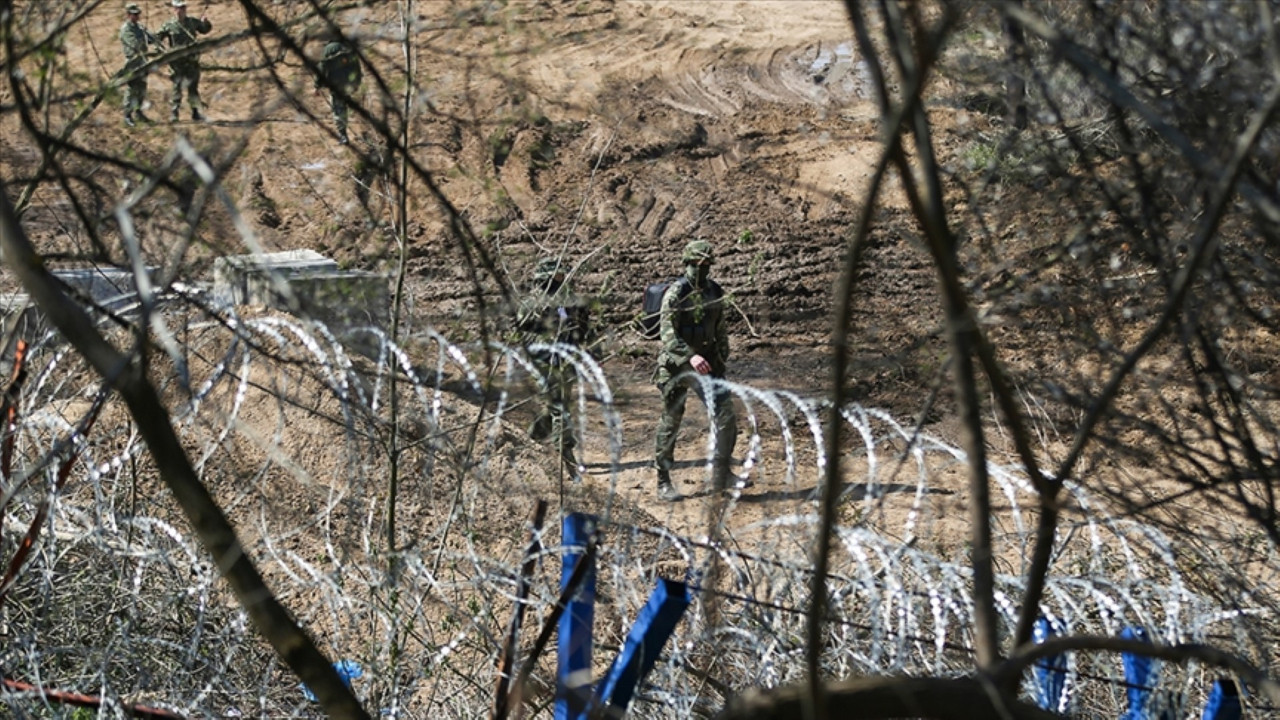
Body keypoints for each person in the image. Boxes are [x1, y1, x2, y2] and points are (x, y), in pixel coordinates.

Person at [653, 239, 738, 502]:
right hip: (677, 366)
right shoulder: (675, 294)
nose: (701, 269)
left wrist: (721, 359)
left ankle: (722, 473)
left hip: (708, 366)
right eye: (696, 265)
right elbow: (667, 335)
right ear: (686, 264)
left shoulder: (715, 292)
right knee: (671, 421)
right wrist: (691, 357)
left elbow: (720, 330)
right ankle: (663, 480)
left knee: (726, 418)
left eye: (706, 265)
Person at [516, 257, 591, 479]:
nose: (562, 280)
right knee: (561, 409)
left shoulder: (566, 300)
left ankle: (528, 442)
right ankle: (567, 459)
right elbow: (524, 330)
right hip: (544, 362)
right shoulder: (533, 303)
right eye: (558, 277)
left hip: (565, 361)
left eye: (563, 276)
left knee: (552, 409)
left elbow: (580, 327)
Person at [155, 0, 213, 122]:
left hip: (192, 61)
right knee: (177, 88)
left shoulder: (192, 22)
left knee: (193, 88)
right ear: (174, 9)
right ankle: (174, 114)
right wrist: (162, 52)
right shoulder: (169, 25)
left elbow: (204, 30)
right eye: (178, 8)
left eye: (183, 7)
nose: (181, 10)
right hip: (177, 63)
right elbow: (157, 39)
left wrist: (206, 22)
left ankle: (196, 113)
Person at [315, 38, 362, 144]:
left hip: (336, 86)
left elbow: (322, 69)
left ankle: (343, 135)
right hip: (350, 83)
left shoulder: (328, 50)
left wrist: (317, 85)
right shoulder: (348, 47)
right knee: (348, 105)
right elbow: (357, 66)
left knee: (338, 110)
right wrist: (357, 82)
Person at [119, 3, 158, 127]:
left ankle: (138, 111)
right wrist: (145, 38)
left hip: (142, 61)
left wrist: (154, 38)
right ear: (128, 14)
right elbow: (134, 45)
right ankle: (127, 114)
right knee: (132, 88)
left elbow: (152, 38)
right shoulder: (126, 29)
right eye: (134, 14)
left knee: (142, 87)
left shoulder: (139, 27)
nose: (136, 17)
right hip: (132, 62)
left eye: (137, 14)